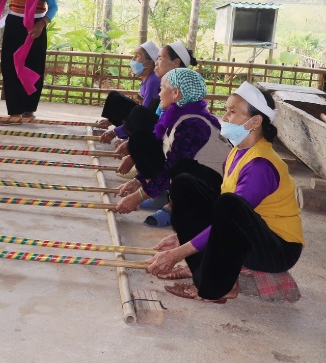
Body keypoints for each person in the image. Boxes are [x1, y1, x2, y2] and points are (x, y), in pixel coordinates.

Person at [147, 83, 303, 303]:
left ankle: (220, 287)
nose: (225, 117)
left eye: (232, 111)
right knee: (184, 185)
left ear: (255, 121)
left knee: (230, 204)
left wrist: (177, 253)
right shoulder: (238, 152)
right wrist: (183, 237)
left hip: (276, 248)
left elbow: (232, 216)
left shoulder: (261, 165)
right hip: (246, 231)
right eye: (226, 110)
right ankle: (202, 271)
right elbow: (223, 217)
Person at [115, 68, 230, 226]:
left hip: (211, 188)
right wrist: (137, 181)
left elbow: (173, 167)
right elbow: (164, 157)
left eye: (162, 88)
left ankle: (175, 209)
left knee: (179, 167)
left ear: (175, 93)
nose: (159, 93)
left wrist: (138, 196)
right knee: (143, 141)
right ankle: (160, 194)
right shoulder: (177, 116)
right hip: (193, 178)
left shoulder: (193, 124)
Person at [0, 0, 58, 118]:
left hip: (35, 28)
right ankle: (14, 111)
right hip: (13, 25)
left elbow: (54, 7)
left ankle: (29, 109)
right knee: (9, 66)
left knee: (34, 66)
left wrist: (41, 24)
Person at [96, 40, 160, 143]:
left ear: (148, 64)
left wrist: (117, 131)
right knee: (114, 96)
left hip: (149, 122)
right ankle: (113, 122)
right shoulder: (146, 79)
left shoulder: (152, 81)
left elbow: (145, 113)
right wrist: (111, 120)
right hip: (142, 115)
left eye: (137, 56)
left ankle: (129, 135)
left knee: (132, 108)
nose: (133, 59)